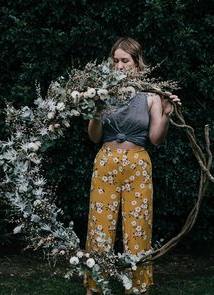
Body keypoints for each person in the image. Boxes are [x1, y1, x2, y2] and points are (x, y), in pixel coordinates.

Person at [84, 37, 181, 294]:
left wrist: (167, 114)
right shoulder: (102, 93)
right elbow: (94, 137)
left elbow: (155, 139)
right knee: (100, 227)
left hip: (138, 163)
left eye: (125, 60)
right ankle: (95, 286)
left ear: (137, 63)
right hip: (106, 161)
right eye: (115, 60)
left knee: (138, 228)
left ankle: (137, 288)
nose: (119, 65)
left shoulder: (150, 95)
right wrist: (96, 110)